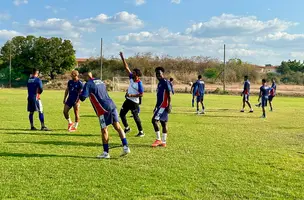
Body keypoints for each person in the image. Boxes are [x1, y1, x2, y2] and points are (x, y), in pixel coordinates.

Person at [79, 70, 130, 159]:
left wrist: (79, 91)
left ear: (86, 76)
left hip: (103, 109)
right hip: (111, 105)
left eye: (83, 76)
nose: (82, 78)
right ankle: (126, 147)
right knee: (117, 126)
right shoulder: (100, 81)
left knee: (104, 130)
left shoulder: (88, 84)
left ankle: (106, 153)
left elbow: (82, 97)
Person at [119, 52, 144, 137]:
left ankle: (141, 132)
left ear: (136, 75)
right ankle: (127, 128)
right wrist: (122, 57)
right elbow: (126, 67)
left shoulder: (139, 83)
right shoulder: (131, 78)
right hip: (128, 101)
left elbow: (141, 94)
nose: (131, 73)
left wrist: (131, 95)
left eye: (133, 73)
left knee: (136, 117)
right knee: (122, 114)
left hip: (134, 103)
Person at [151, 67, 172, 148]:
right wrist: (155, 107)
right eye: (156, 74)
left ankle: (158, 139)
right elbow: (159, 97)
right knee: (163, 123)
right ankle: (163, 142)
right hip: (160, 106)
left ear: (162, 74)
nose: (158, 75)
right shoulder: (159, 83)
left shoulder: (165, 82)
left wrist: (169, 105)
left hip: (163, 106)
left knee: (154, 120)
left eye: (159, 73)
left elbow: (169, 94)